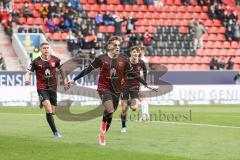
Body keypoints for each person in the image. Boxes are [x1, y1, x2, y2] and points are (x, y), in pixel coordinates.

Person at [67, 36, 157, 145]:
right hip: (103, 88)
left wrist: (146, 84)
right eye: (115, 45)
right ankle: (103, 129)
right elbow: (88, 69)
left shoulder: (123, 60)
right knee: (110, 110)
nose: (117, 47)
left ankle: (102, 134)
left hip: (117, 90)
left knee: (111, 113)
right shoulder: (101, 58)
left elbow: (133, 74)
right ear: (109, 46)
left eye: (119, 45)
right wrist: (74, 79)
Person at [25, 42, 69, 138]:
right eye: (44, 48)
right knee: (48, 109)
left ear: (49, 49)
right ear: (41, 50)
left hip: (53, 88)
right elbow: (28, 72)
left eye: (47, 48)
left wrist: (65, 81)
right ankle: (55, 132)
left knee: (53, 112)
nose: (46, 49)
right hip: (42, 88)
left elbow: (62, 70)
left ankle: (43, 102)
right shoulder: (36, 61)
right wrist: (27, 79)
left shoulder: (55, 60)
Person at [120, 46, 147, 133]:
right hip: (125, 86)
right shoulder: (126, 62)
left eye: (137, 52)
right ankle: (123, 126)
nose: (135, 54)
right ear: (131, 53)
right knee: (123, 110)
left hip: (135, 86)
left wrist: (145, 81)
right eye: (134, 52)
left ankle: (128, 103)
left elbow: (145, 71)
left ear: (139, 53)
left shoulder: (141, 62)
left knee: (135, 108)